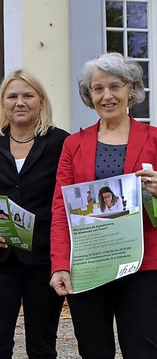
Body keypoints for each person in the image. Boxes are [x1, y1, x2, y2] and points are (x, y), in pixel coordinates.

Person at [50, 52, 157, 358]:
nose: (107, 95)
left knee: (145, 350)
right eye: (98, 88)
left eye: (115, 86)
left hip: (144, 268)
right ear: (89, 95)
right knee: (94, 350)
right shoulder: (74, 144)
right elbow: (61, 209)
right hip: (89, 266)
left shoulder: (154, 139)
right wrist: (60, 264)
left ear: (131, 89)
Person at [0, 69, 68, 358]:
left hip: (43, 258)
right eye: (12, 96)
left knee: (42, 346)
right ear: (3, 103)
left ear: (41, 101)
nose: (20, 102)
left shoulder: (61, 143)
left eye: (28, 95)